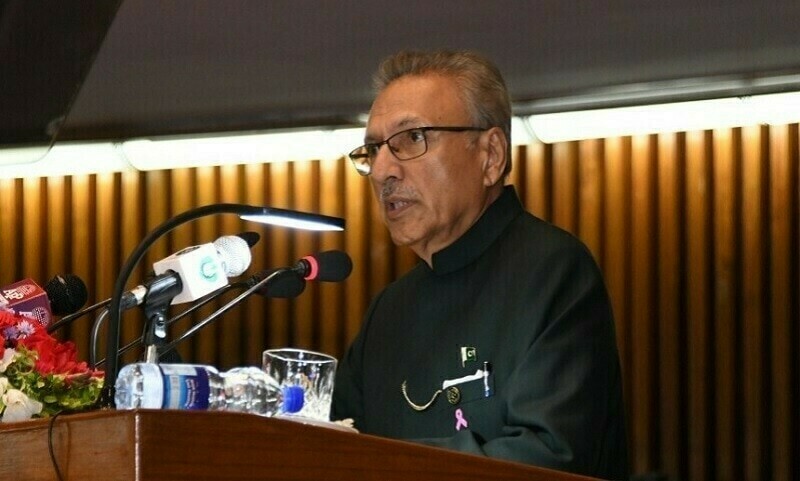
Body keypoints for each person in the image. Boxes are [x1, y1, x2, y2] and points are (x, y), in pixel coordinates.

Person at [331, 49, 628, 480]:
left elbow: (548, 457)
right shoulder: (388, 310)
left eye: (411, 138)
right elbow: (332, 449)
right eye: (374, 149)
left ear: (490, 156)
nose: (381, 170)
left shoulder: (553, 270)